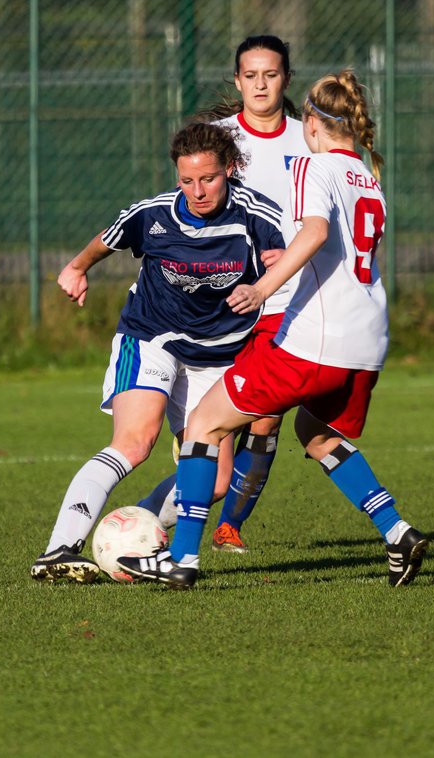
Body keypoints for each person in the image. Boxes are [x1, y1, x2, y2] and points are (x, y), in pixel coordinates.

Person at [118, 69, 429, 590]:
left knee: (203, 426)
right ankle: (396, 531)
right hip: (368, 340)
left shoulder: (315, 163)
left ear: (312, 122)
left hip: (315, 340)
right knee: (315, 432)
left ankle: (182, 560)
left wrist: (262, 289)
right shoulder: (367, 175)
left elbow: (316, 231)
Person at [30, 122, 285, 583]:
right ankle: (58, 549)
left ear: (230, 169)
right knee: (135, 441)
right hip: (151, 338)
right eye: (187, 180)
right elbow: (107, 240)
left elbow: (284, 263)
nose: (197, 191)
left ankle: (137, 530)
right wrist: (76, 268)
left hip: (218, 356)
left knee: (218, 482)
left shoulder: (257, 217)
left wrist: (270, 280)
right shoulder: (154, 214)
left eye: (208, 178)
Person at [136, 34, 311, 555]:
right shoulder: (217, 138)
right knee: (222, 433)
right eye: (251, 75)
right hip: (222, 307)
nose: (261, 84)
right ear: (237, 81)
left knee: (268, 415)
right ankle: (149, 517)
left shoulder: (310, 138)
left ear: (286, 78)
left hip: (288, 297)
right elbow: (183, 209)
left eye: (271, 74)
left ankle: (230, 524)